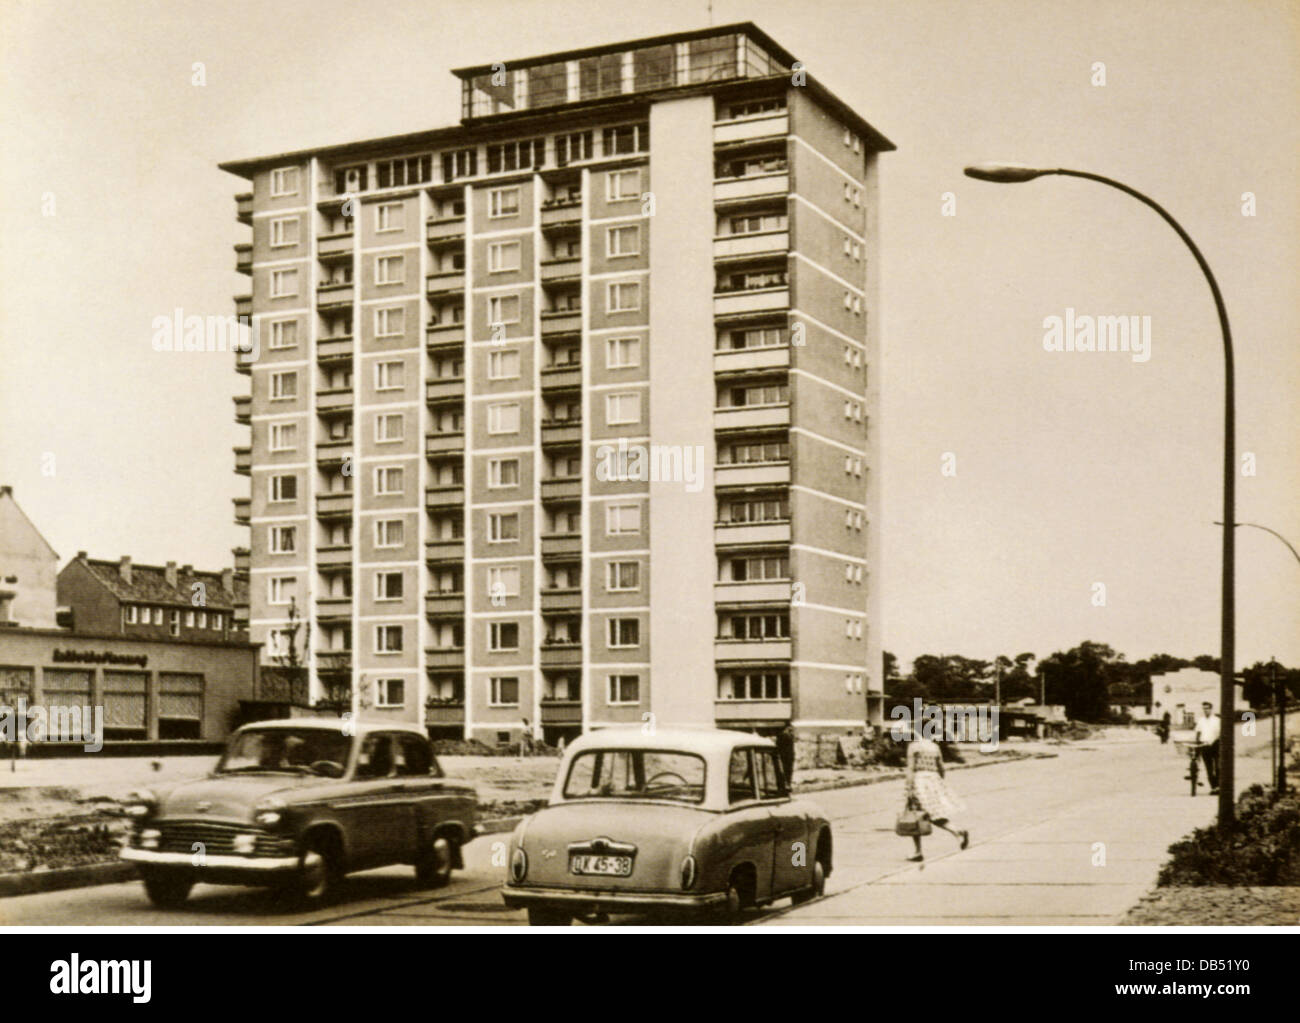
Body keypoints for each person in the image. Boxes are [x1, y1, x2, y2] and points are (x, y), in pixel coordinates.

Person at [902, 725, 969, 861]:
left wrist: (909, 788)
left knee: (916, 816)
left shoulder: (914, 746)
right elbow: (942, 768)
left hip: (919, 781)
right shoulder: (934, 747)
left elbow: (911, 768)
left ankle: (918, 851)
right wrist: (938, 783)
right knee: (935, 814)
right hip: (934, 781)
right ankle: (957, 831)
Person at [1194, 701, 1221, 792]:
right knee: (1209, 768)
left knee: (1218, 766)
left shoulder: (1217, 720)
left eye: (1207, 708)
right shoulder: (1201, 721)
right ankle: (1213, 787)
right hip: (1204, 745)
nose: (1205, 710)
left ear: (1211, 709)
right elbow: (1198, 732)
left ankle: (1218, 786)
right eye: (1204, 708)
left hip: (1215, 745)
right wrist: (1197, 744)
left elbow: (1220, 733)